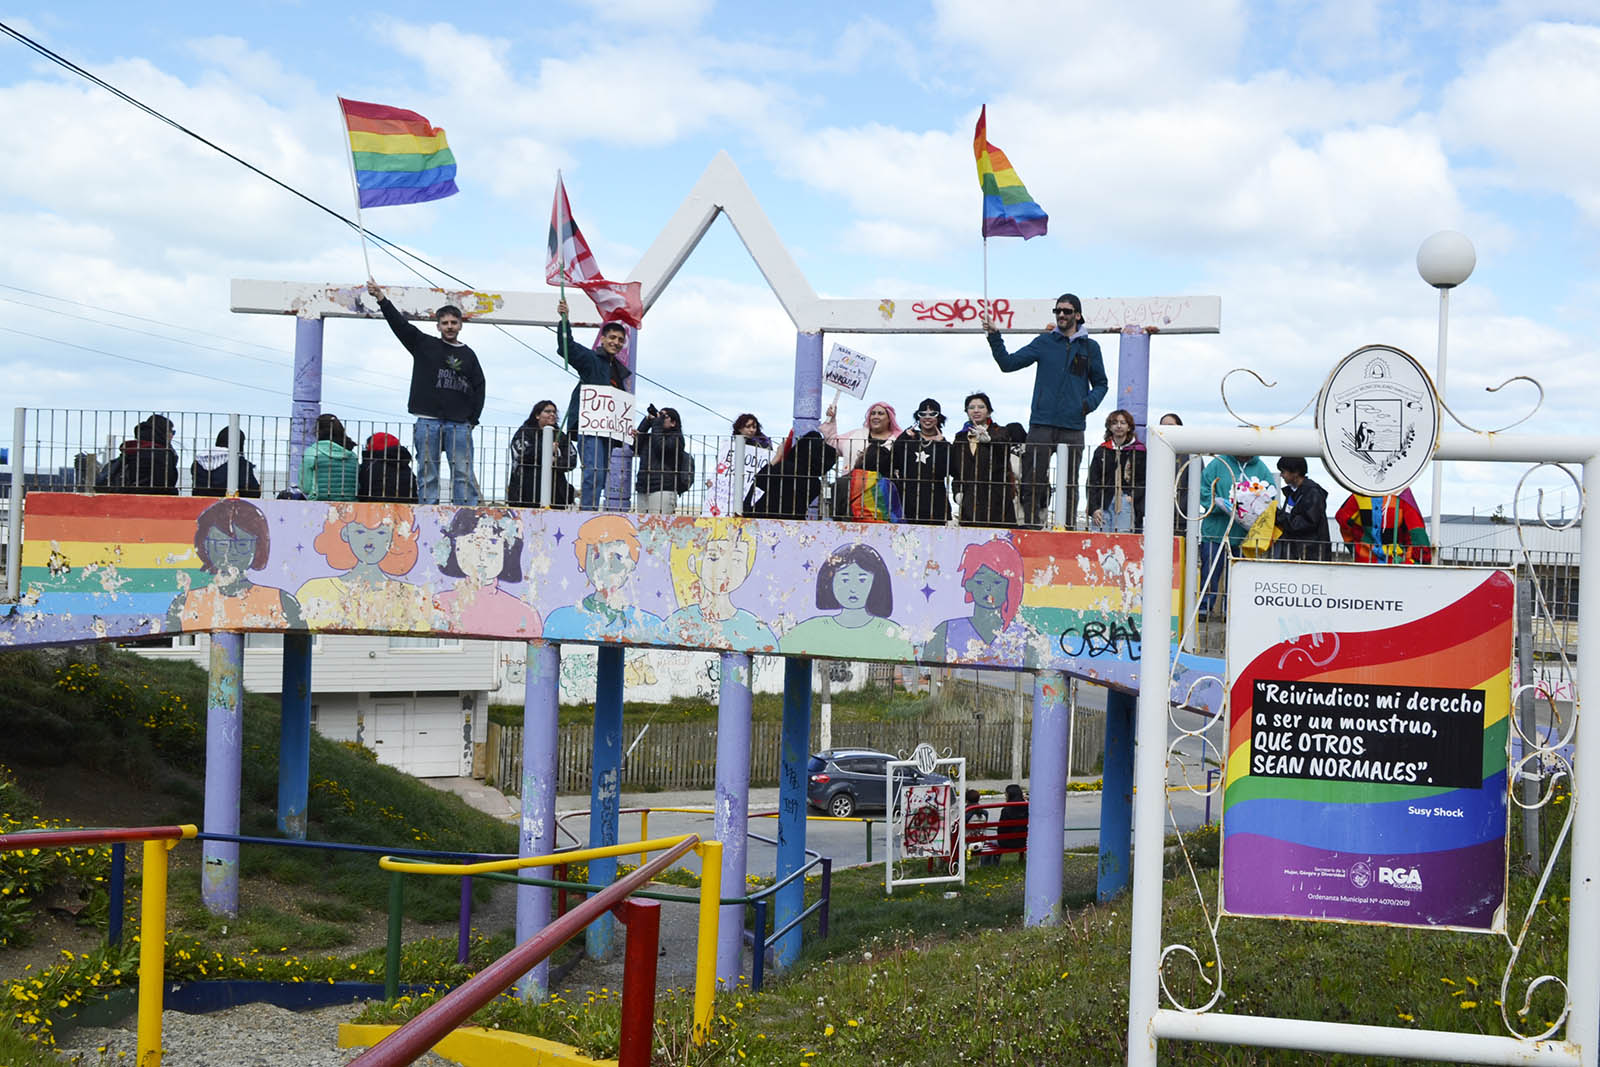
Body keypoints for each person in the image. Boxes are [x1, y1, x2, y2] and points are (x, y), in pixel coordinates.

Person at [982, 294, 1108, 528]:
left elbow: (1101, 384)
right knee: (1032, 481)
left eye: (1067, 311)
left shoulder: (1091, 348)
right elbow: (1008, 364)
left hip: (1073, 426)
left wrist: (1085, 405)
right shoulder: (1044, 342)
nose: (1061, 314)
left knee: (1070, 484)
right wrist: (994, 337)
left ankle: (1068, 529)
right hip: (1041, 424)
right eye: (1057, 310)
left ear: (1078, 315)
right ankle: (1031, 528)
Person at [366, 280, 486, 506]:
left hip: (459, 423)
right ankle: (428, 509)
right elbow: (399, 325)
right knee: (427, 470)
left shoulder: (469, 355)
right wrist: (382, 299)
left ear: (461, 325)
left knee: (463, 471)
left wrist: (472, 419)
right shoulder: (423, 344)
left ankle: (466, 511)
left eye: (453, 322)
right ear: (438, 326)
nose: (449, 326)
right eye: (445, 323)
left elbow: (480, 386)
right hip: (427, 420)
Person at [168, 498, 303, 631]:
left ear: (258, 546)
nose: (231, 552)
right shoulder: (184, 604)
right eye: (221, 544)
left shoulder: (282, 602)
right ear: (205, 545)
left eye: (242, 544)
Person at [555, 298, 631, 510]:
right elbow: (566, 347)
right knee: (593, 472)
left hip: (607, 431)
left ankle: (591, 509)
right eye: (612, 337)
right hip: (591, 428)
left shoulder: (617, 369)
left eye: (620, 340)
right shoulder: (591, 360)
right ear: (603, 339)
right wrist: (564, 320)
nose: (616, 342)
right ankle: (588, 511)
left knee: (600, 473)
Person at [778, 542, 913, 659]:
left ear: (876, 583)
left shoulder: (894, 635)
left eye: (862, 580)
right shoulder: (808, 630)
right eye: (845, 579)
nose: (853, 588)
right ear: (830, 581)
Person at [1197, 451, 1275, 617]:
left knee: (1239, 576)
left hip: (1244, 535)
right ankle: (1204, 608)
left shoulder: (1262, 469)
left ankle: (1232, 610)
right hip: (1215, 531)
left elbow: (1270, 496)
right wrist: (1219, 504)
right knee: (1209, 572)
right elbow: (1202, 490)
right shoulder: (1218, 464)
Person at [822, 400, 902, 521]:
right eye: (873, 413)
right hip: (851, 492)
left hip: (882, 496)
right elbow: (832, 443)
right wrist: (831, 420)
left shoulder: (900, 439)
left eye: (880, 413)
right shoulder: (855, 435)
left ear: (889, 418)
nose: (875, 416)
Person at [949, 392, 1016, 528]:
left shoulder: (1000, 431)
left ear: (989, 411)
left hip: (997, 498)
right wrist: (957, 492)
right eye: (971, 407)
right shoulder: (961, 437)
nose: (976, 410)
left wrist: (989, 439)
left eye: (981, 407)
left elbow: (1003, 448)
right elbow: (956, 470)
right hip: (970, 500)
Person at [744, 430, 838, 520]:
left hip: (763, 518)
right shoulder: (815, 484)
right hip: (792, 524)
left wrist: (777, 457)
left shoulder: (785, 468)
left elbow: (759, 482)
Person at [890, 398, 952, 525]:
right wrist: (903, 438)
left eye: (932, 414)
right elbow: (894, 460)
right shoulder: (908, 438)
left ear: (939, 417)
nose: (927, 418)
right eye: (923, 414)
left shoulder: (944, 444)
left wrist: (941, 445)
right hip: (907, 501)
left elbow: (948, 469)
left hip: (935, 503)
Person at [506, 400, 576, 508]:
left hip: (556, 494)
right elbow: (521, 454)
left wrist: (555, 461)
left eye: (554, 412)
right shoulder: (524, 432)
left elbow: (572, 460)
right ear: (537, 415)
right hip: (525, 492)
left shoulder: (561, 436)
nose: (552, 414)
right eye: (547, 411)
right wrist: (546, 451)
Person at [1086, 408, 1146, 533]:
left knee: (1124, 541)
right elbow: (1092, 480)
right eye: (1114, 423)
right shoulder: (1102, 450)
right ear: (1110, 427)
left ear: (1129, 427)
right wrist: (1094, 508)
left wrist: (1133, 497)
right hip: (1103, 502)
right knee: (1099, 541)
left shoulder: (1139, 451)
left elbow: (1144, 480)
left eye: (1123, 423)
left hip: (1127, 502)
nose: (1119, 426)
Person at [1336, 489, 1433, 564]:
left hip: (1365, 563)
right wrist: (1410, 562)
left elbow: (1343, 520)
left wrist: (1357, 548)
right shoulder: (1403, 495)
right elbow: (1417, 534)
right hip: (1395, 566)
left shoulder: (1359, 493)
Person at [634, 405, 694, 515]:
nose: (660, 419)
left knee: (659, 527)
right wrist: (647, 422)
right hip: (644, 487)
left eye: (664, 417)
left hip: (663, 488)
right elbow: (635, 447)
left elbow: (661, 448)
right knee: (642, 527)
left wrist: (656, 424)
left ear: (673, 423)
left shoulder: (677, 438)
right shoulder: (652, 437)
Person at [98, 414, 179, 495]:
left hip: (127, 495)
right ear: (163, 432)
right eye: (172, 432)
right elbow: (164, 484)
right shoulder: (161, 453)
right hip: (153, 500)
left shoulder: (133, 449)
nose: (172, 436)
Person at [1273, 457, 1331, 560]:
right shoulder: (1294, 492)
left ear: (1295, 472)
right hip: (1299, 552)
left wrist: (1279, 516)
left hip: (1309, 554)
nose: (1281, 475)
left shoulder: (1313, 493)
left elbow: (1306, 523)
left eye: (1283, 471)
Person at [300, 414, 359, 502]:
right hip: (350, 505)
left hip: (319, 504)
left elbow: (305, 487)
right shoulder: (352, 455)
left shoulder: (312, 452)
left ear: (317, 431)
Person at [190, 427, 261, 498]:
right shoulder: (241, 464)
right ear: (240, 443)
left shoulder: (198, 462)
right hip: (232, 506)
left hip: (202, 506)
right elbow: (253, 492)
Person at [356, 432, 418, 504]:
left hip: (372, 509)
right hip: (405, 510)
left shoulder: (369, 466)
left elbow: (362, 491)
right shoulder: (406, 468)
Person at [1159, 413, 1188, 533]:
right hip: (1158, 516)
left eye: (1171, 425)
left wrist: (1182, 508)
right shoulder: (1155, 453)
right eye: (1163, 426)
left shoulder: (1190, 454)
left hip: (1181, 518)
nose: (1167, 429)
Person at [998, 783, 1029, 863]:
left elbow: (1001, 829)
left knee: (990, 842)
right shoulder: (1026, 807)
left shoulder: (1006, 810)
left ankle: (988, 865)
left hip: (1007, 842)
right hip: (1022, 841)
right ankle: (1021, 859)